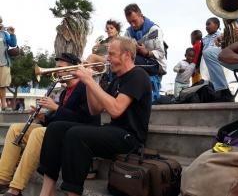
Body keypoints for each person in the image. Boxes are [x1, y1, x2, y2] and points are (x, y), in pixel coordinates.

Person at [38, 36, 152, 196]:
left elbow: (116, 109)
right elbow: (95, 110)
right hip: (114, 132)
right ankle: (47, 191)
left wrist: (89, 81)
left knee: (76, 135)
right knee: (56, 128)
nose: (107, 58)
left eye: (111, 54)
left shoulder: (138, 75)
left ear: (126, 55)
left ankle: (73, 192)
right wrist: (89, 83)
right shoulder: (116, 81)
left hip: (130, 138)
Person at [0, 52, 100, 196]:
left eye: (60, 68)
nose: (57, 72)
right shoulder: (65, 92)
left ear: (74, 68)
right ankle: (3, 179)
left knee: (38, 133)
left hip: (80, 133)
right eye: (56, 68)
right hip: (61, 131)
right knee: (16, 129)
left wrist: (56, 108)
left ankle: (16, 188)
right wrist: (43, 118)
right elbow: (58, 122)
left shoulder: (85, 87)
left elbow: (84, 119)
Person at [202, 12, 238, 102]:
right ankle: (223, 91)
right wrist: (223, 37)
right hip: (236, 57)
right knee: (208, 53)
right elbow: (231, 35)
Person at [124, 3, 167, 76]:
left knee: (131, 62)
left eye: (134, 21)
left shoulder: (154, 30)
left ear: (141, 16)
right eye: (129, 22)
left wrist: (147, 52)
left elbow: (161, 53)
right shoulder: (128, 32)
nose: (132, 25)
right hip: (138, 59)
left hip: (156, 63)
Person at [0, 16, 17, 111]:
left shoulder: (4, 34)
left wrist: (12, 34)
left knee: (2, 85)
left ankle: (3, 104)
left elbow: (13, 44)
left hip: (4, 63)